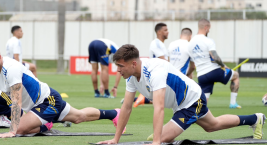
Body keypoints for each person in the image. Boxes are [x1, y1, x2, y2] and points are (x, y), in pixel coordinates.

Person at [98, 44, 265, 145]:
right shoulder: (131, 75)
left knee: (161, 138)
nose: (117, 70)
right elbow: (126, 108)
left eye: (120, 66)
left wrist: (157, 141)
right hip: (181, 104)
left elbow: (159, 107)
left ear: (133, 63)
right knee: (212, 125)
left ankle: (160, 136)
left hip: (192, 100)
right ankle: (255, 119)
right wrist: (115, 140)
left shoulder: (155, 71)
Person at [0, 43, 126, 138]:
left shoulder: (10, 69)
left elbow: (16, 101)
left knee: (19, 128)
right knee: (79, 117)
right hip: (37, 106)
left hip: (47, 100)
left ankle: (46, 124)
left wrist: (12, 131)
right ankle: (114, 113)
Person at [188, 19, 241, 108]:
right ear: (206, 27)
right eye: (209, 28)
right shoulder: (208, 40)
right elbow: (214, 57)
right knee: (235, 76)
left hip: (201, 75)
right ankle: (233, 103)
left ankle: (197, 113)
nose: (209, 30)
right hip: (213, 71)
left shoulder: (190, 43)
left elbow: (193, 61)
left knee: (204, 102)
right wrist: (224, 66)